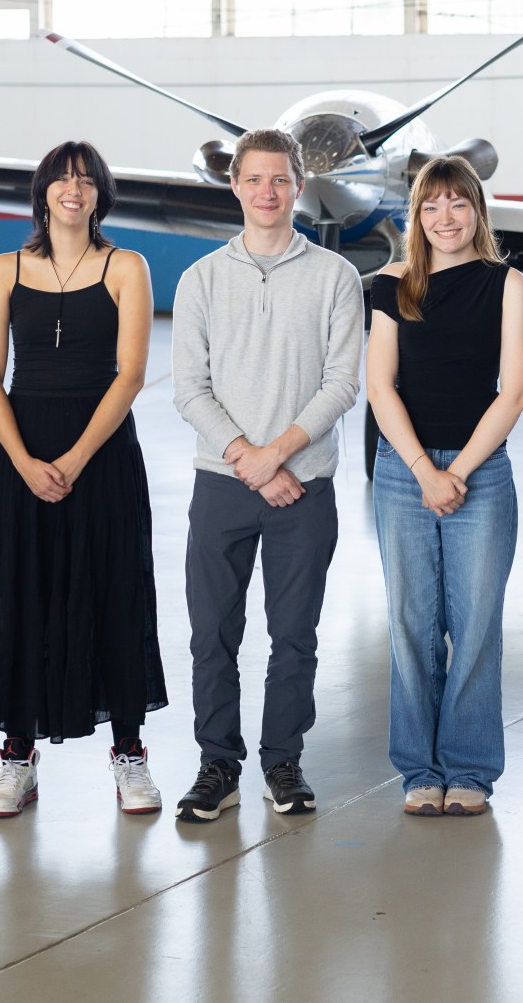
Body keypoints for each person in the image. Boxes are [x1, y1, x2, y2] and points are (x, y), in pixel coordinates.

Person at [0, 142, 168, 817]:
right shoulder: (3, 269)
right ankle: (17, 758)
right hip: (21, 450)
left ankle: (130, 754)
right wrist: (22, 459)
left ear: (101, 194)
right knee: (20, 593)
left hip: (100, 452)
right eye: (60, 180)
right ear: (42, 192)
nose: (72, 191)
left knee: (113, 590)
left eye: (85, 181)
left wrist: (76, 459)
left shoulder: (125, 266)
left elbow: (129, 374)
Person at [172, 128, 362, 821]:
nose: (266, 192)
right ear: (235, 186)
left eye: (279, 179)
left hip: (303, 487)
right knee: (212, 632)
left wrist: (276, 455)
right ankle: (216, 763)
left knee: (294, 634)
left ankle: (284, 760)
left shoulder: (336, 277)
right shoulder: (201, 279)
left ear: (299, 184)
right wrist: (250, 461)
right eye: (253, 180)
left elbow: (342, 383)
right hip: (222, 482)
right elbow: (189, 386)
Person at [365, 157, 523, 816]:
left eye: (458, 203)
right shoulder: (392, 281)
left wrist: (456, 472)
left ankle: (468, 768)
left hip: (481, 472)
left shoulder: (506, 282)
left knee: (475, 625)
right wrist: (422, 471)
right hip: (404, 474)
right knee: (411, 625)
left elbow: (514, 391)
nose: (445, 217)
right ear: (416, 216)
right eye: (431, 206)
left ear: (477, 211)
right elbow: (381, 384)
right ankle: (418, 770)